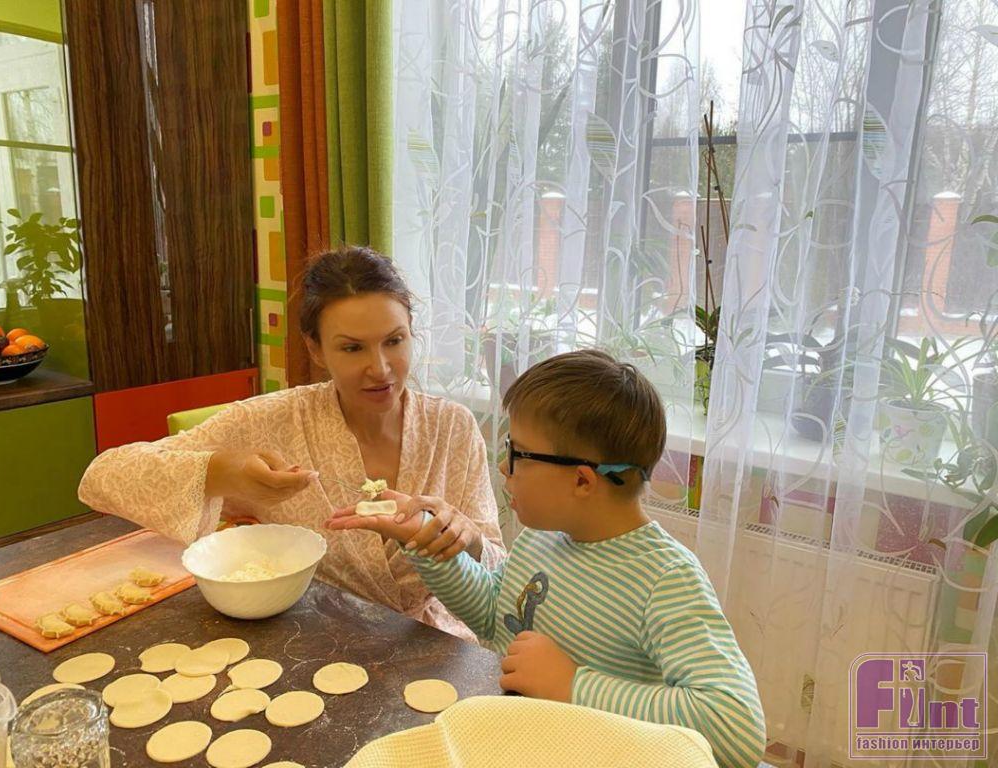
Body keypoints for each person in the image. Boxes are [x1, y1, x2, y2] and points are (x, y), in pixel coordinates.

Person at [327, 350, 766, 767]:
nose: (503, 467)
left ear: (581, 480)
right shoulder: (546, 539)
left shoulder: (665, 578)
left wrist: (573, 684)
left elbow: (737, 728)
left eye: (517, 453)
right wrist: (425, 539)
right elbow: (496, 619)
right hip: (519, 744)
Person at [79, 246, 504, 640]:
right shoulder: (273, 420)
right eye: (352, 348)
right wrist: (223, 473)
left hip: (436, 643)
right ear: (315, 349)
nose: (380, 369)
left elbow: (500, 568)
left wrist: (465, 539)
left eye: (394, 341)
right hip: (314, 641)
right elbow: (102, 476)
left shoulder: (453, 427)